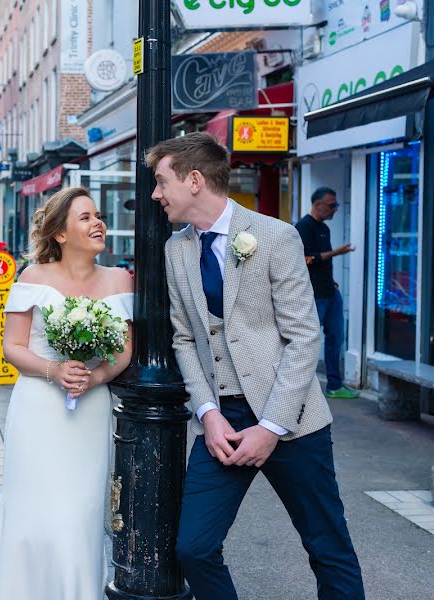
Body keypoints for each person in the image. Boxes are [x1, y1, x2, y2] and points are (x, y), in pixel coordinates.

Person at [150, 133, 364, 599]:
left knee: (327, 548)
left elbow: (303, 335)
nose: (156, 194)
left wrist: (271, 427)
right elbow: (185, 337)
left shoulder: (274, 236)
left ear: (193, 179)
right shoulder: (176, 250)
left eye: (162, 181)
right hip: (223, 424)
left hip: (292, 421)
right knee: (194, 549)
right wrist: (207, 413)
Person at [0, 187, 134, 599]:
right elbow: (12, 347)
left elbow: (126, 351)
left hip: (90, 410)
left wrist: (93, 379)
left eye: (98, 216)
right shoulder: (33, 277)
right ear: (60, 233)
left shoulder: (119, 278)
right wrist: (54, 370)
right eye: (86, 217)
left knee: (80, 515)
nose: (98, 223)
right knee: (34, 514)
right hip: (39, 408)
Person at [295, 188, 359, 400]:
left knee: (336, 339)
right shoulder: (303, 227)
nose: (335, 209)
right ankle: (303, 391)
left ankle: (334, 385)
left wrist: (331, 281)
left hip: (331, 293)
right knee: (309, 342)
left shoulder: (324, 229)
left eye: (336, 205)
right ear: (317, 205)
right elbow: (306, 259)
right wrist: (336, 252)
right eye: (332, 205)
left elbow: (321, 263)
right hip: (314, 295)